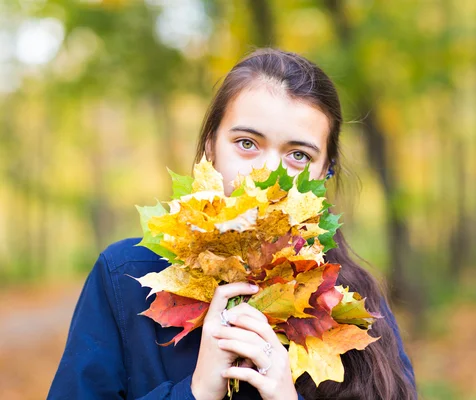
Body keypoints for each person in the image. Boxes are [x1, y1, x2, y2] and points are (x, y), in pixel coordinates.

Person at [48, 48, 417, 400]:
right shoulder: (125, 278)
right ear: (211, 147)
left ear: (323, 173)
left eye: (298, 155)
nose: (267, 175)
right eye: (246, 143)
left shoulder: (351, 303)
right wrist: (194, 393)